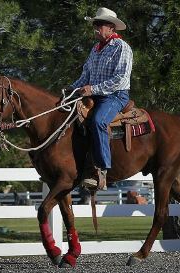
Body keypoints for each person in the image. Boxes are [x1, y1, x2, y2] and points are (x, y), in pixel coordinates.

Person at [66, 7, 133, 190]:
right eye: (95, 24)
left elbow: (120, 79)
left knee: (98, 121)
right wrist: (72, 88)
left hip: (115, 95)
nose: (96, 28)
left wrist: (92, 89)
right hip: (94, 94)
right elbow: (85, 75)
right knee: (67, 116)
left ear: (111, 28)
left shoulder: (122, 48)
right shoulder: (95, 49)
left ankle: (101, 169)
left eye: (100, 24)